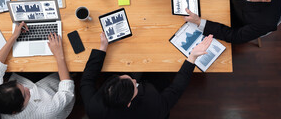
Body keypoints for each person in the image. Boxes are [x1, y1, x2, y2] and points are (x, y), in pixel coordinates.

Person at [80, 32, 213, 119]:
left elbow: (87, 80)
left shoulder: (93, 107)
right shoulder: (154, 107)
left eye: (123, 77)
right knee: (161, 74)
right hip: (153, 89)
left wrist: (102, 47)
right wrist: (193, 56)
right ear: (129, 103)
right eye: (134, 85)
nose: (133, 78)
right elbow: (176, 89)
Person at [0, 22, 75, 119]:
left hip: (26, 79)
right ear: (16, 111)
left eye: (20, 86)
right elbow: (66, 91)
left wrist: (14, 37)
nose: (28, 89)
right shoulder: (44, 113)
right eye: (25, 93)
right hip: (50, 90)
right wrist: (59, 54)